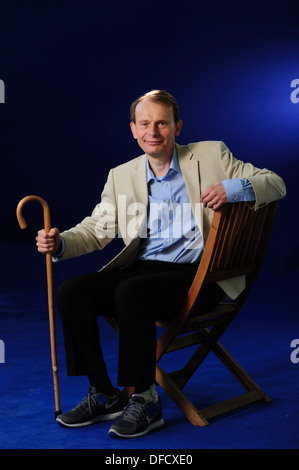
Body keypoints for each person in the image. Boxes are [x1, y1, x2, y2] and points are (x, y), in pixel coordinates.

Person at [36, 90, 286, 438]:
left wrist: (234, 187)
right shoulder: (121, 175)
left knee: (131, 291)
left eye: (162, 123)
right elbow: (97, 229)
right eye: (144, 124)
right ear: (133, 130)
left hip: (201, 276)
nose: (153, 131)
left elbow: (276, 183)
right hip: (144, 271)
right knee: (73, 291)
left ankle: (146, 399)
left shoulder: (212, 154)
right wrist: (61, 241)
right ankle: (105, 395)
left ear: (177, 127)